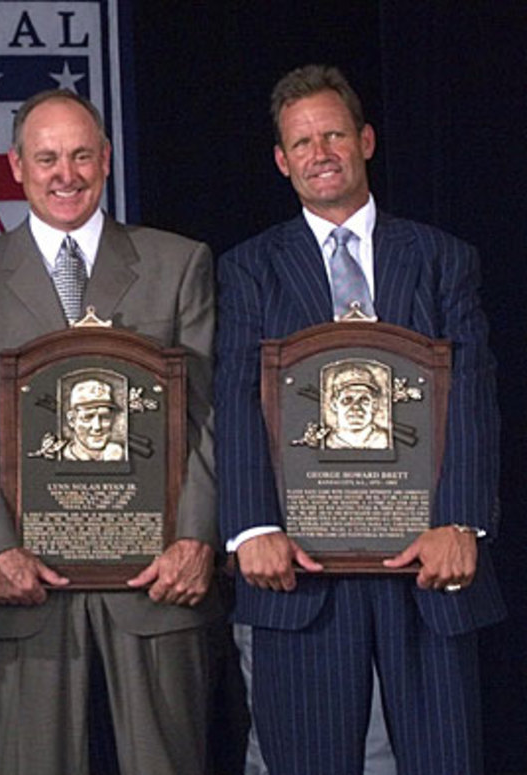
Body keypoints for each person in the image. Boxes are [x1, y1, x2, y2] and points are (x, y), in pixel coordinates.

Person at [217, 64, 503, 774]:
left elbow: (471, 390)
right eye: (303, 141)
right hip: (300, 571)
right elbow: (234, 395)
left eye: (334, 134)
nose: (321, 152)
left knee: (445, 759)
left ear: (366, 141)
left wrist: (462, 521)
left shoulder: (441, 259)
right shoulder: (251, 269)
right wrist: (252, 528)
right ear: (282, 161)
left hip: (428, 564)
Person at [0, 88, 218, 775]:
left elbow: (207, 415)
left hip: (157, 578)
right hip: (27, 585)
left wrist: (195, 536)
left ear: (107, 159)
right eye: (49, 157)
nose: (67, 173)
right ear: (17, 166)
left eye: (82, 155)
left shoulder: (179, 264)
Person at [323, 363, 390, 450]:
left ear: (374, 405)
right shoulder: (328, 442)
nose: (356, 407)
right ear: (334, 404)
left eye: (363, 400)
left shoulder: (383, 440)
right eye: (347, 400)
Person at [62, 377, 126, 461]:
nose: (97, 426)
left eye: (105, 417)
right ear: (72, 420)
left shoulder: (119, 455)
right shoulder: (65, 456)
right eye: (88, 417)